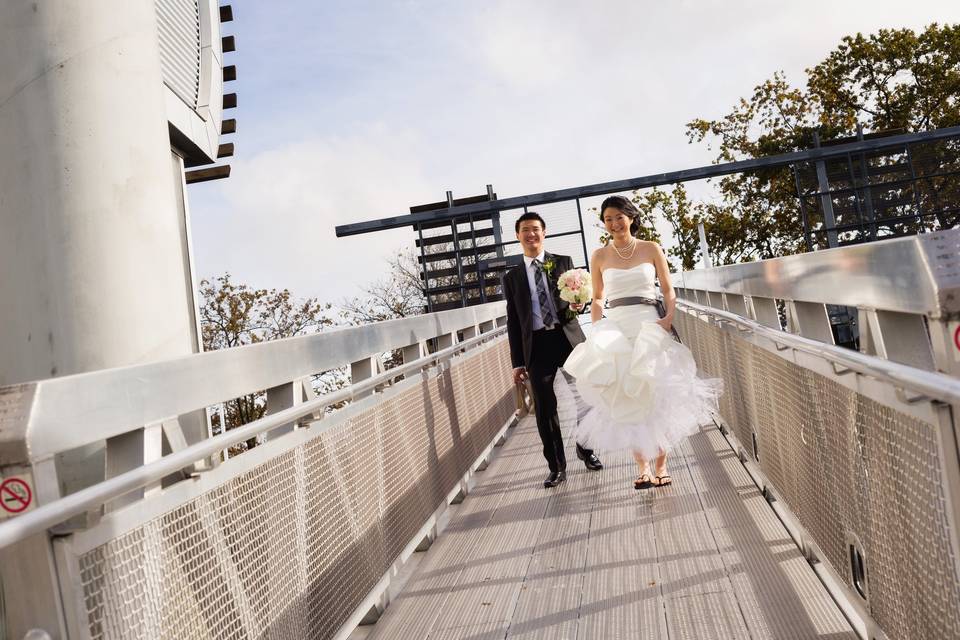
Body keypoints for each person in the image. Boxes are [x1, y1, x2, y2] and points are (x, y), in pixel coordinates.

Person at [564, 196, 721, 489]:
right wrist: (597, 326)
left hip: (649, 322)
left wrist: (669, 317)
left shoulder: (651, 248)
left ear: (631, 217)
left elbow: (668, 288)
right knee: (627, 396)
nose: (614, 224)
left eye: (619, 217)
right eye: (608, 219)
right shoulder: (599, 255)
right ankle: (642, 468)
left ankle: (661, 465)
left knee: (656, 393)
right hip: (618, 328)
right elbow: (598, 297)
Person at [503, 211, 603, 488]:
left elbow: (578, 297)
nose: (531, 234)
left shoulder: (563, 263)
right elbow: (513, 321)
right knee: (546, 410)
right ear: (518, 236)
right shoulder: (511, 278)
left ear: (544, 233)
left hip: (567, 339)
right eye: (525, 230)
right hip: (536, 346)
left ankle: (586, 447)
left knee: (586, 397)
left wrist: (577, 304)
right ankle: (556, 467)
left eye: (535, 229)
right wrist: (517, 362)